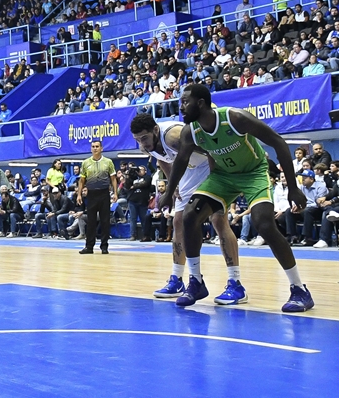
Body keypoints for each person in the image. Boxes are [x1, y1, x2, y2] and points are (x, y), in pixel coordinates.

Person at [161, 83, 314, 312]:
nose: (181, 108)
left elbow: (279, 142)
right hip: (223, 176)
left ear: (200, 103)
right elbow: (181, 161)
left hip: (253, 173)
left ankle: (299, 289)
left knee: (264, 225)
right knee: (190, 216)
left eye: (185, 102)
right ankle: (196, 282)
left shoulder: (235, 118)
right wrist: (167, 192)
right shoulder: (190, 131)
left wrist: (292, 187)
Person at [131, 113, 247, 305]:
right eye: (137, 140)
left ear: (155, 130)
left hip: (213, 167)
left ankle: (235, 283)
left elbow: (212, 149)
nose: (141, 143)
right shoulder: (146, 144)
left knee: (218, 219)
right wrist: (172, 186)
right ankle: (177, 279)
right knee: (178, 221)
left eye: (144, 138)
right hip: (189, 171)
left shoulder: (173, 136)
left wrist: (217, 181)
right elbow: (162, 159)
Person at [76, 140, 118, 255]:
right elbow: (82, 180)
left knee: (105, 221)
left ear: (101, 148)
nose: (95, 148)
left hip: (104, 194)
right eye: (93, 146)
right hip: (91, 195)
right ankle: (89, 247)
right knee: (91, 222)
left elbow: (113, 179)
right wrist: (79, 194)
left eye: (97, 146)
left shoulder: (108, 162)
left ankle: (104, 247)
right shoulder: (85, 163)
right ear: (91, 149)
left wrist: (115, 193)